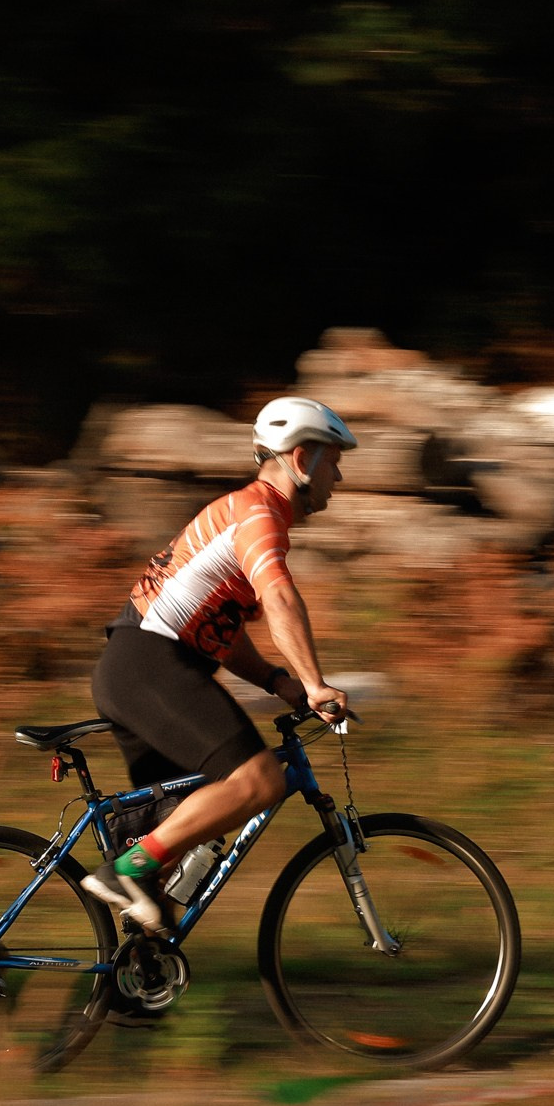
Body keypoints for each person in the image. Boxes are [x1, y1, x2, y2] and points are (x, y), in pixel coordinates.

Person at [83, 396, 359, 937]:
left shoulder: (247, 514)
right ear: (301, 459)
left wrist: (281, 684)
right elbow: (279, 601)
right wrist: (314, 682)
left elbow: (223, 639)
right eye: (334, 459)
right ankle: (125, 873)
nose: (340, 475)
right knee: (259, 780)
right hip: (151, 666)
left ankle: (131, 990)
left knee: (178, 841)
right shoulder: (258, 513)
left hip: (136, 666)